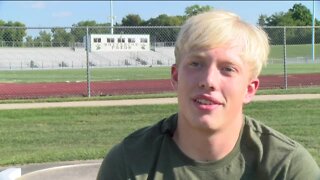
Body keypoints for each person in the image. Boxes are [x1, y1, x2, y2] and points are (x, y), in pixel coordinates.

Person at [97, 10, 320, 180]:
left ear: (249, 89)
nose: (209, 81)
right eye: (196, 63)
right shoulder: (129, 163)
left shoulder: (286, 167)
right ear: (175, 77)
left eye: (228, 69)